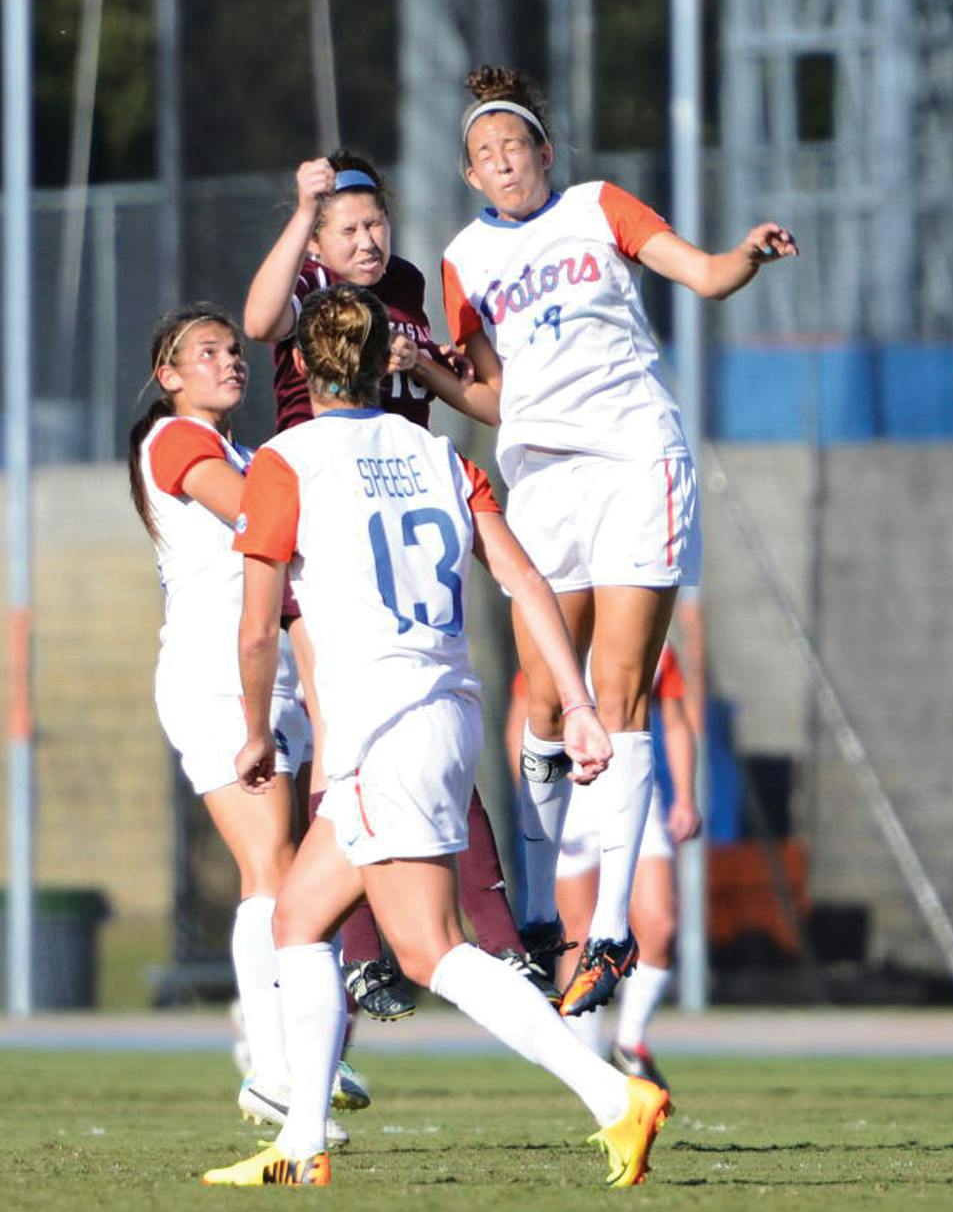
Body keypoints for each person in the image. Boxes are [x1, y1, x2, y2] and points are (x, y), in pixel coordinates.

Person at [201, 283, 666, 1191]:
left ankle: (613, 1094)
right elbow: (525, 580)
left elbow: (259, 628)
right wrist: (574, 701)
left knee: (430, 948)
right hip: (443, 709)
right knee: (300, 919)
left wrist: (256, 728)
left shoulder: (286, 460)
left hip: (380, 723)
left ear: (298, 364)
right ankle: (301, 1143)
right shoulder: (439, 452)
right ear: (386, 364)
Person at [441, 64, 798, 1018]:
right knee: (545, 703)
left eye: (514, 144)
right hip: (544, 479)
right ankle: (541, 916)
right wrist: (428, 377)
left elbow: (707, 274)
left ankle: (606, 931)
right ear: (471, 176)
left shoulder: (599, 206)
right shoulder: (464, 258)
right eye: (485, 153)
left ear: (544, 154)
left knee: (619, 690)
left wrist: (748, 254)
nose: (502, 160)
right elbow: (494, 392)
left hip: (636, 454)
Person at [242, 152, 550, 1011]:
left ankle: (499, 935)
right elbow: (261, 319)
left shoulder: (413, 284)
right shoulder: (305, 280)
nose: (367, 240)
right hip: (331, 529)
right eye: (348, 227)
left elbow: (486, 397)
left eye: (375, 222)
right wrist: (304, 211)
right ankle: (363, 945)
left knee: (426, 719)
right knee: (343, 726)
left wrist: (430, 367)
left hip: (404, 520)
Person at [127, 302, 346, 1147]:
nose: (230, 360)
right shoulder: (179, 440)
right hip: (214, 679)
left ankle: (286, 1050)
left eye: (232, 349)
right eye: (206, 352)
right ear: (171, 375)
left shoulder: (248, 450)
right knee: (271, 865)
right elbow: (261, 514)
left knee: (286, 873)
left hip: (267, 682)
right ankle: (273, 1063)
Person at [507, 595, 703, 1091]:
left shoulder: (651, 642)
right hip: (573, 795)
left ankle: (631, 1041)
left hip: (634, 793)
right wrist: (536, 797)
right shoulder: (558, 639)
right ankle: (588, 1062)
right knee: (577, 931)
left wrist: (685, 797)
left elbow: (676, 724)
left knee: (659, 924)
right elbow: (527, 720)